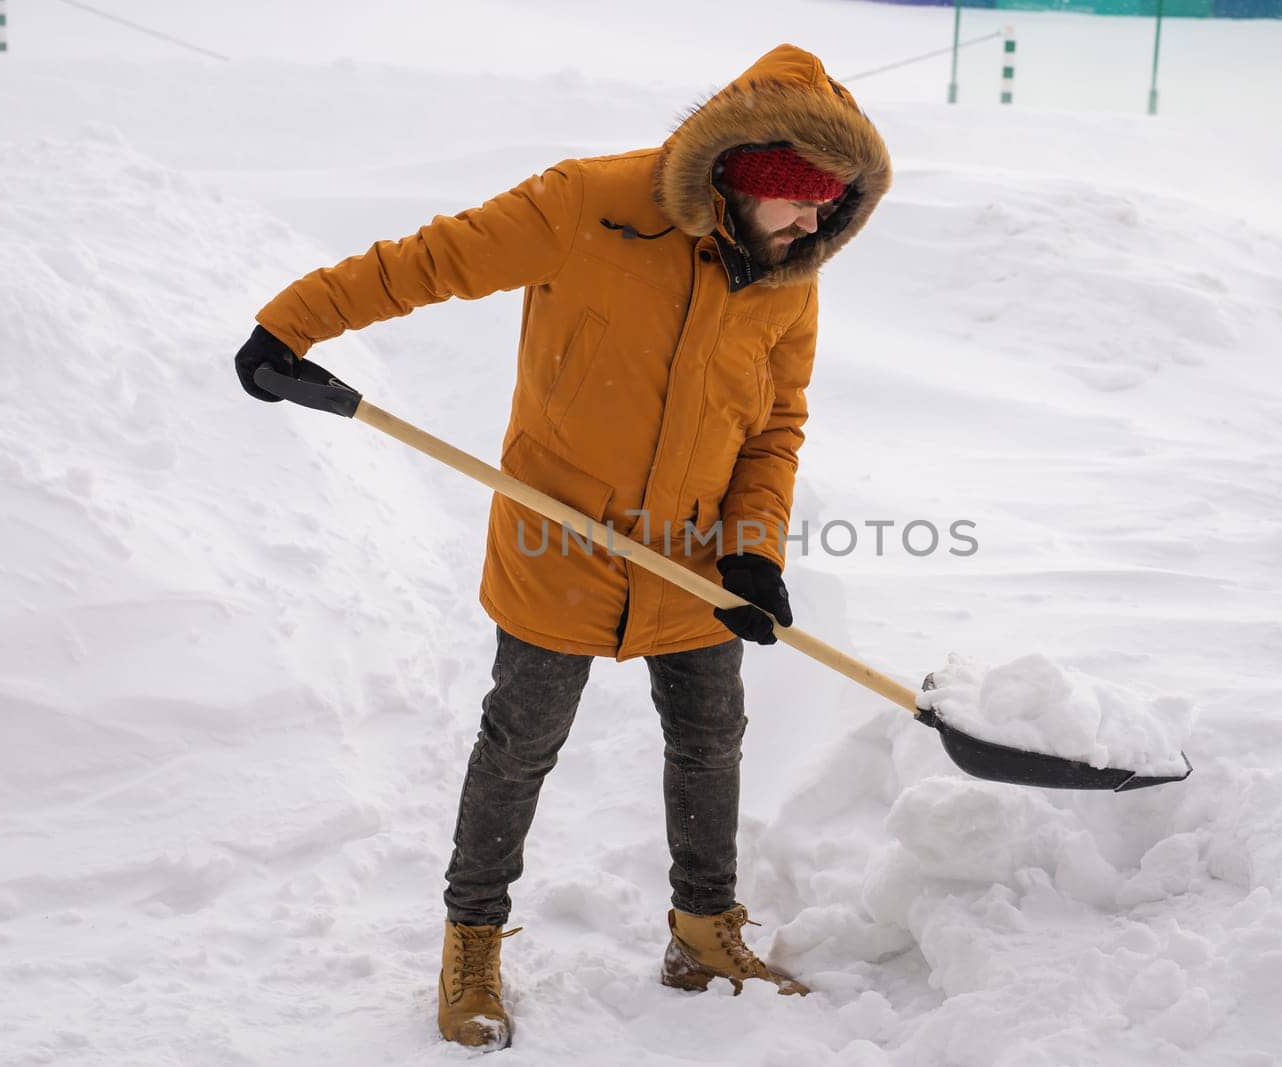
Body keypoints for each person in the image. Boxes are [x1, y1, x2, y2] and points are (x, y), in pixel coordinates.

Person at [234, 43, 890, 1051]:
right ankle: (472, 940)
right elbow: (428, 260)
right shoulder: (588, 203)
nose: (817, 229)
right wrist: (291, 326)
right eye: (803, 205)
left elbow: (774, 426)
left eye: (831, 213)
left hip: (696, 554)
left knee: (710, 736)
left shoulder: (786, 272)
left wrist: (752, 552)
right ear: (746, 176)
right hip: (559, 538)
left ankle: (703, 930)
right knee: (521, 742)